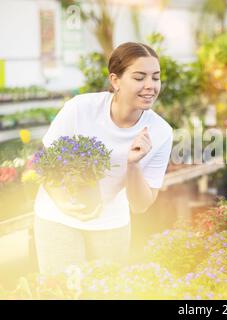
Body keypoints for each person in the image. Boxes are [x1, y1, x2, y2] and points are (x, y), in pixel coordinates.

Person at [33, 42, 173, 275]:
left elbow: (140, 206)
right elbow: (44, 161)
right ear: (115, 80)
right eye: (139, 77)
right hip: (57, 216)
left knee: (107, 290)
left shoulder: (160, 132)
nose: (150, 86)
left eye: (155, 78)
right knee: (62, 290)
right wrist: (62, 200)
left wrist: (133, 164)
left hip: (110, 223)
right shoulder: (81, 108)